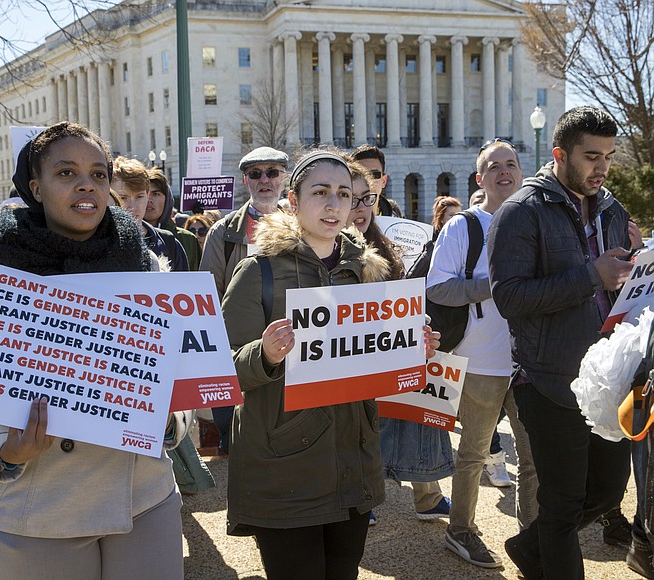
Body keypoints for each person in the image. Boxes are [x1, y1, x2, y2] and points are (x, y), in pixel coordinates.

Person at [0, 122, 185, 579]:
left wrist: (173, 417)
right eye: (66, 173)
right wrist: (4, 449)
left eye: (98, 174)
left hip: (143, 493)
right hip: (37, 502)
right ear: (35, 187)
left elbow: (180, 365)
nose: (86, 185)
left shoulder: (146, 263)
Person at [221, 149, 439, 580]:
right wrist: (264, 355)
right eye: (320, 192)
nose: (334, 203)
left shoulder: (366, 272)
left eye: (345, 194)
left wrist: (414, 347)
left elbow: (376, 360)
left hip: (352, 462)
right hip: (284, 468)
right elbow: (222, 371)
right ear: (292, 201)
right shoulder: (257, 272)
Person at [488, 107, 634, 579]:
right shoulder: (520, 212)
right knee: (562, 503)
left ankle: (529, 550)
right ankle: (546, 557)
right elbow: (510, 297)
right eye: (591, 156)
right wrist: (591, 276)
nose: (602, 167)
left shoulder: (613, 208)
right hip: (548, 380)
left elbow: (618, 285)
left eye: (608, 156)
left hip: (609, 378)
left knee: (609, 492)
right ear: (558, 154)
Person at [427, 138, 538, 569]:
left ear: (521, 171)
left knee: (531, 460)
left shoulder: (535, 222)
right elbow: (438, 287)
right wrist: (498, 285)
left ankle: (531, 539)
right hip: (480, 361)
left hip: (530, 361)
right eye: (494, 166)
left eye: (511, 163)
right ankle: (460, 531)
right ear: (480, 178)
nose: (504, 171)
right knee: (473, 454)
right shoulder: (464, 227)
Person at [345, 160, 454, 524]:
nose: (359, 209)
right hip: (346, 361)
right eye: (351, 198)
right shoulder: (323, 251)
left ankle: (426, 493)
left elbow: (404, 304)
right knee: (359, 430)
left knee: (417, 408)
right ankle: (363, 497)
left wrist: (421, 329)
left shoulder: (384, 246)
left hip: (385, 354)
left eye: (366, 199)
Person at [200, 146, 289, 454]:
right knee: (238, 441)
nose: (264, 180)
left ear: (284, 179)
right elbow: (208, 298)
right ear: (245, 181)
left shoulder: (303, 227)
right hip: (237, 351)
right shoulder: (222, 233)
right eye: (255, 174)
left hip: (290, 347)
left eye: (272, 173)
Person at [112, 156, 189, 273]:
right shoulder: (93, 243)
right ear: (110, 197)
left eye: (139, 196)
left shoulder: (170, 244)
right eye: (123, 198)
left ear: (147, 196)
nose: (133, 207)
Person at [145, 168, 202, 271]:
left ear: (167, 199)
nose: (149, 200)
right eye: (145, 194)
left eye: (156, 194)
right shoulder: (125, 239)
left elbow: (197, 280)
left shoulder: (188, 239)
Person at [351, 144, 399, 217]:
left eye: (374, 175)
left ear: (384, 181)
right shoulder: (339, 223)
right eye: (362, 174)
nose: (369, 180)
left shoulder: (397, 225)